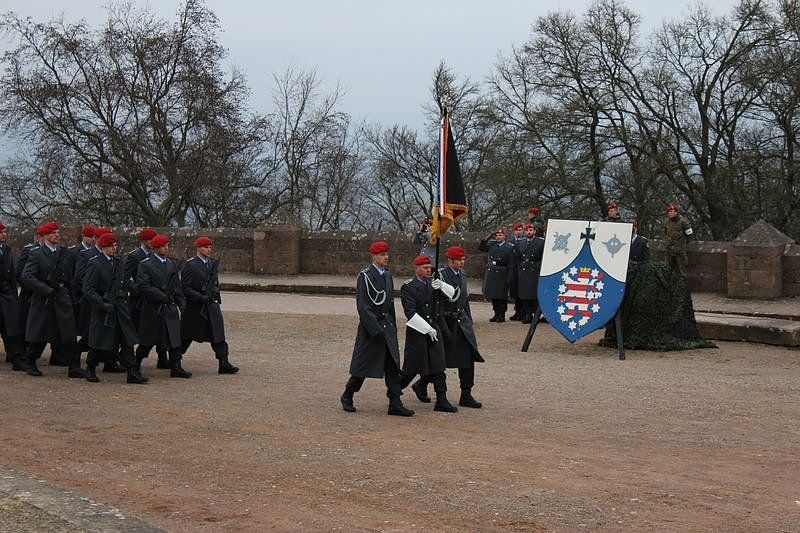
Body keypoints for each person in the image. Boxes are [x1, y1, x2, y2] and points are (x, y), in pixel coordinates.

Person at [340, 241, 413, 416]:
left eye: (387, 254)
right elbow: (363, 307)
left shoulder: (387, 275)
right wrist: (375, 330)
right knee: (364, 366)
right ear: (374, 256)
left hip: (387, 326)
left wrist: (392, 326)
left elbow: (389, 304)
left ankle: (395, 402)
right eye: (382, 255)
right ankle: (348, 394)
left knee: (392, 366)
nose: (386, 257)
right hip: (371, 328)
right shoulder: (365, 276)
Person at [410, 246, 484, 408]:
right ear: (450, 260)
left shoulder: (462, 274)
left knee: (467, 358)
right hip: (446, 322)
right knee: (440, 360)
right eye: (459, 260)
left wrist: (468, 319)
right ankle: (421, 384)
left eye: (463, 259)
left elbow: (463, 299)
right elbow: (434, 301)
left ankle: (466, 394)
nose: (462, 262)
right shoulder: (440, 275)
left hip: (462, 322)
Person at [16, 222, 85, 378]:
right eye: (53, 233)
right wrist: (44, 289)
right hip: (44, 299)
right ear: (45, 235)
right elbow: (27, 276)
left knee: (69, 334)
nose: (57, 235)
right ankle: (30, 362)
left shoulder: (63, 253)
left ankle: (74, 367)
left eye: (57, 232)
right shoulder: (36, 254)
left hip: (62, 297)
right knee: (39, 334)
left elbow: (69, 277)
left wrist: (73, 299)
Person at [82, 232, 148, 384]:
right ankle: (90, 368)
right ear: (103, 247)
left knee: (126, 339)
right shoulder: (95, 263)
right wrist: (101, 303)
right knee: (98, 340)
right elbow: (88, 289)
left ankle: (132, 372)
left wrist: (138, 289)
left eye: (115, 245)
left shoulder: (118, 262)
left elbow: (124, 280)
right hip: (104, 307)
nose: (114, 248)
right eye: (111, 246)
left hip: (120, 306)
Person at [398, 255, 457, 413]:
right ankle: (394, 393)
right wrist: (427, 328)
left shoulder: (434, 283)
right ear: (416, 268)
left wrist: (442, 285)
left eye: (429, 267)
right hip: (418, 331)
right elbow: (410, 313)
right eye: (425, 268)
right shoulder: (408, 287)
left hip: (434, 328)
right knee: (411, 369)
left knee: (438, 366)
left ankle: (442, 400)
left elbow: (452, 295)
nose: (428, 270)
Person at [134, 234, 191, 378]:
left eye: (167, 245)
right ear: (155, 248)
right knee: (148, 340)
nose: (166, 248)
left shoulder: (171, 264)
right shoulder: (146, 264)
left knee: (174, 339)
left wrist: (182, 304)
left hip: (169, 307)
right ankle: (135, 365)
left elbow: (177, 287)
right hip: (153, 308)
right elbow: (143, 286)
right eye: (163, 246)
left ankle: (176, 366)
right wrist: (161, 296)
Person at [180, 236, 239, 374]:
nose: (208, 250)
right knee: (187, 335)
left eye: (210, 247)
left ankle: (223, 362)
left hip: (211, 305)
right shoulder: (190, 265)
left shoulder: (212, 263)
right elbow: (185, 287)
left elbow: (214, 284)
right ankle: (174, 360)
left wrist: (214, 298)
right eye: (205, 247)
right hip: (196, 307)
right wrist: (200, 297)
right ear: (198, 248)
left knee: (218, 334)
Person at [125, 227, 169, 369]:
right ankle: (129, 357)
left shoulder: (158, 255)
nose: (152, 242)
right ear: (143, 240)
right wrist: (137, 290)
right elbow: (124, 278)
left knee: (162, 328)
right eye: (149, 240)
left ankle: (162, 357)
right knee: (142, 330)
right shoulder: (135, 256)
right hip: (140, 299)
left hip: (156, 297)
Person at [478, 227, 516, 322]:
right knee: (493, 295)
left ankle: (501, 314)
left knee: (501, 296)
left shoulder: (509, 247)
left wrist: (510, 276)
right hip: (492, 271)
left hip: (502, 272)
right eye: (497, 235)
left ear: (504, 236)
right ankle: (496, 313)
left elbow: (511, 263)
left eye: (500, 235)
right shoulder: (492, 244)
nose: (498, 237)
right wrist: (488, 237)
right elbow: (481, 247)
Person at [0, 222, 25, 364]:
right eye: (1, 232)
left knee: (10, 327)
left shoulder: (7, 250)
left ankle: (15, 356)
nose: (4, 235)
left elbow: (12, 276)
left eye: (4, 232)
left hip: (6, 294)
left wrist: (14, 295)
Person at [517, 223, 545, 324]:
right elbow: (518, 256)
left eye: (531, 230)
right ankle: (527, 314)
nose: (529, 232)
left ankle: (535, 315)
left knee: (534, 294)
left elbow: (543, 256)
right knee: (524, 294)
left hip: (535, 270)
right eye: (527, 230)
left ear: (534, 231)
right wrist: (520, 267)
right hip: (524, 269)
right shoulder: (521, 242)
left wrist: (538, 266)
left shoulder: (540, 242)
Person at [664, 203, 693, 277]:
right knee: (667, 270)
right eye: (669, 212)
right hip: (670, 250)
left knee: (682, 271)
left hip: (680, 251)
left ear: (676, 212)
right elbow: (666, 233)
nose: (670, 213)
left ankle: (682, 284)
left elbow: (689, 234)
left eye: (671, 211)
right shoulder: (667, 222)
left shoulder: (683, 221)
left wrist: (683, 243)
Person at [509, 223, 526, 320]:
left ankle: (523, 311)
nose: (518, 232)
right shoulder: (510, 241)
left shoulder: (525, 241)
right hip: (512, 268)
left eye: (520, 230)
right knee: (514, 291)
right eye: (516, 230)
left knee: (522, 291)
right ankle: (517, 311)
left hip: (522, 268)